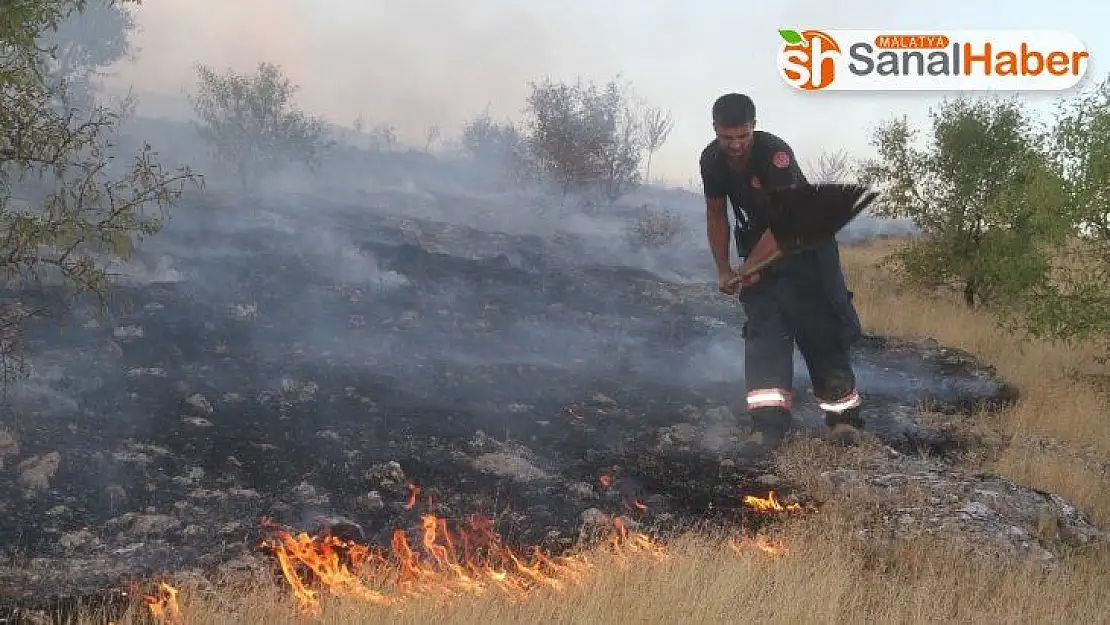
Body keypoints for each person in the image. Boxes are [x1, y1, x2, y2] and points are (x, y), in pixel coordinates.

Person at [699, 92, 865, 449]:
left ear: (753, 127)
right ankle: (768, 427)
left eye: (742, 136)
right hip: (759, 249)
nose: (735, 145)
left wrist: (749, 267)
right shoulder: (712, 160)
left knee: (821, 329)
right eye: (727, 137)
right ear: (715, 130)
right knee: (764, 333)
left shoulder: (775, 154)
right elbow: (716, 213)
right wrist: (724, 269)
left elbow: (785, 229)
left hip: (806, 247)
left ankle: (842, 420)